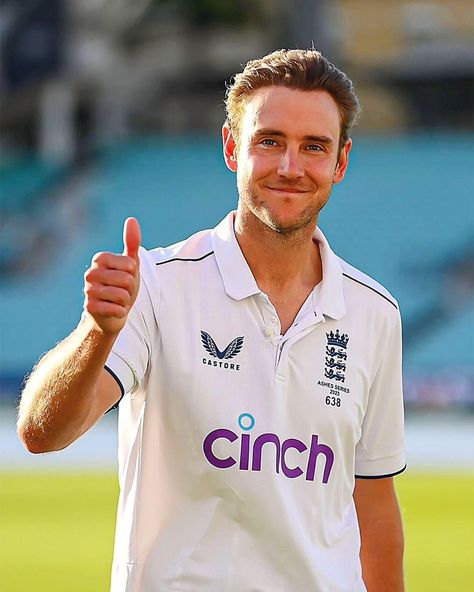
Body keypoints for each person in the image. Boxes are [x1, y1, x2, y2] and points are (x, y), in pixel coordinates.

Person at [18, 49, 406, 591]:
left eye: (313, 147)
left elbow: (374, 502)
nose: (290, 167)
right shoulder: (158, 283)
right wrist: (95, 334)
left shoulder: (375, 313)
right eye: (269, 141)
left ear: (339, 163)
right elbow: (42, 432)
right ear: (231, 147)